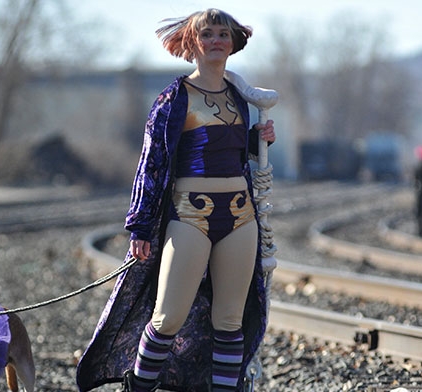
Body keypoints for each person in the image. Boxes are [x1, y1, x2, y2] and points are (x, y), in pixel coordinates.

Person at [76, 8, 276, 392]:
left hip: (240, 215)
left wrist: (258, 139)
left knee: (230, 320)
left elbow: (230, 152)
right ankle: (139, 386)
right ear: (192, 43)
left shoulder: (238, 95)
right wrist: (139, 225)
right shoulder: (174, 98)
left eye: (223, 34)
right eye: (208, 34)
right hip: (189, 217)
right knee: (167, 318)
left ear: (233, 44)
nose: (216, 40)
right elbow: (152, 163)